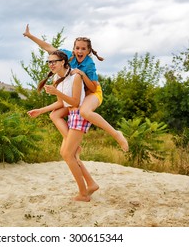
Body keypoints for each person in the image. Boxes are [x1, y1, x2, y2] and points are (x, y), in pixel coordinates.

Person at [23, 24, 129, 152]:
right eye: (77, 48)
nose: (80, 51)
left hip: (92, 93)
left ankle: (116, 134)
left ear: (88, 51)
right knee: (55, 115)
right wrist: (30, 36)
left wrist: (82, 74)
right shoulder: (67, 56)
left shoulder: (89, 64)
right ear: (73, 49)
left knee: (85, 112)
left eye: (83, 49)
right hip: (78, 95)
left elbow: (94, 88)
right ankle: (71, 143)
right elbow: (49, 47)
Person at [27, 50, 99, 202]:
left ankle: (83, 194)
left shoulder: (75, 76)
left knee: (67, 154)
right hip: (72, 116)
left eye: (54, 61)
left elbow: (74, 101)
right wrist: (40, 110)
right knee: (66, 153)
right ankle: (91, 184)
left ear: (63, 62)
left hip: (79, 114)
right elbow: (61, 103)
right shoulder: (57, 79)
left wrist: (55, 91)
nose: (51, 64)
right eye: (49, 62)